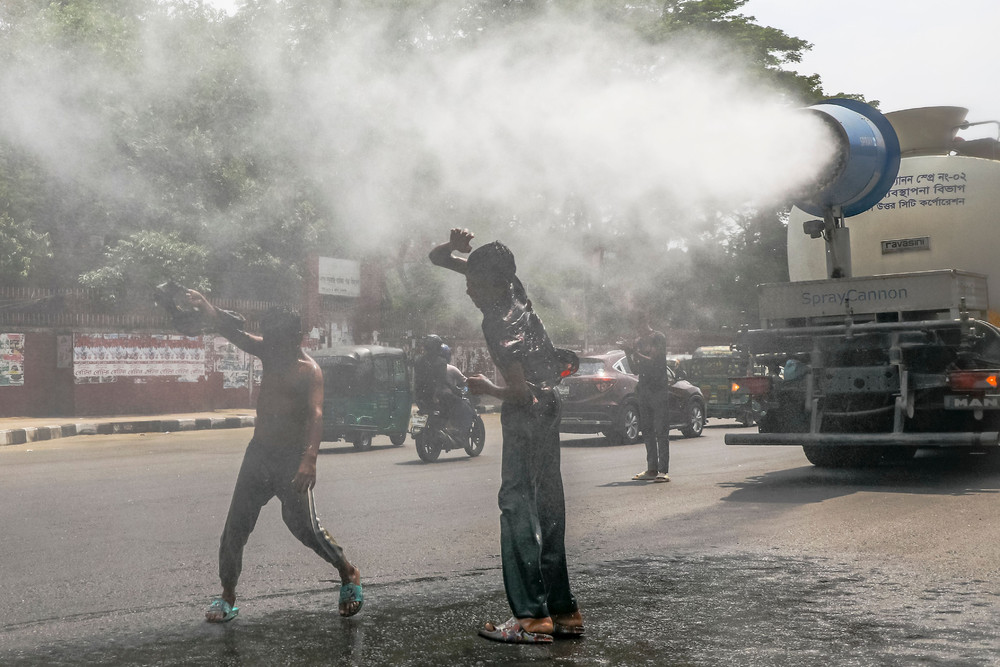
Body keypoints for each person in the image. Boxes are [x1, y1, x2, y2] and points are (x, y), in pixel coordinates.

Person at [429, 227, 584, 644]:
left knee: (516, 504)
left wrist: (487, 388)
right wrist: (453, 249)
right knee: (548, 503)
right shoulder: (514, 288)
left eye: (474, 284)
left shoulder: (498, 323)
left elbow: (517, 391)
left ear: (494, 282)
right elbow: (438, 259)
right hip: (550, 403)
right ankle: (563, 611)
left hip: (527, 409)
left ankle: (531, 618)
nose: (468, 291)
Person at [183, 290, 363, 623]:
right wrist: (208, 308)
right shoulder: (269, 350)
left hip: (291, 460)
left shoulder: (309, 371)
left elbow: (316, 414)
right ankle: (228, 595)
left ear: (295, 338)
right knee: (235, 527)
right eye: (269, 340)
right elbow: (236, 334)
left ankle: (347, 571)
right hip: (259, 454)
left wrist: (309, 460)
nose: (271, 347)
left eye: (277, 341)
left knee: (305, 529)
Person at [622, 311, 671, 483]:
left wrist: (632, 351)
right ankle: (652, 469)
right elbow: (635, 370)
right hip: (643, 390)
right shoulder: (638, 341)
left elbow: (653, 361)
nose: (637, 329)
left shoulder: (658, 337)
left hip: (659, 390)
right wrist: (627, 353)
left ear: (646, 321)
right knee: (647, 430)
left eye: (639, 324)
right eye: (635, 325)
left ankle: (663, 471)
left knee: (661, 430)